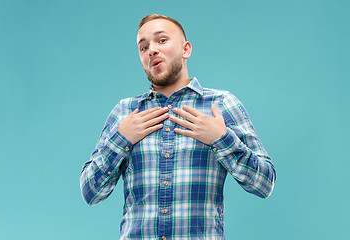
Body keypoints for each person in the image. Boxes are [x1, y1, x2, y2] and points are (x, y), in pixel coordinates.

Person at [80, 14, 276, 240]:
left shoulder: (221, 105)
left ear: (186, 50)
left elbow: (264, 184)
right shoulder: (125, 112)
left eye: (161, 40)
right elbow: (91, 193)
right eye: (143, 47)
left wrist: (221, 138)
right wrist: (122, 139)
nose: (151, 50)